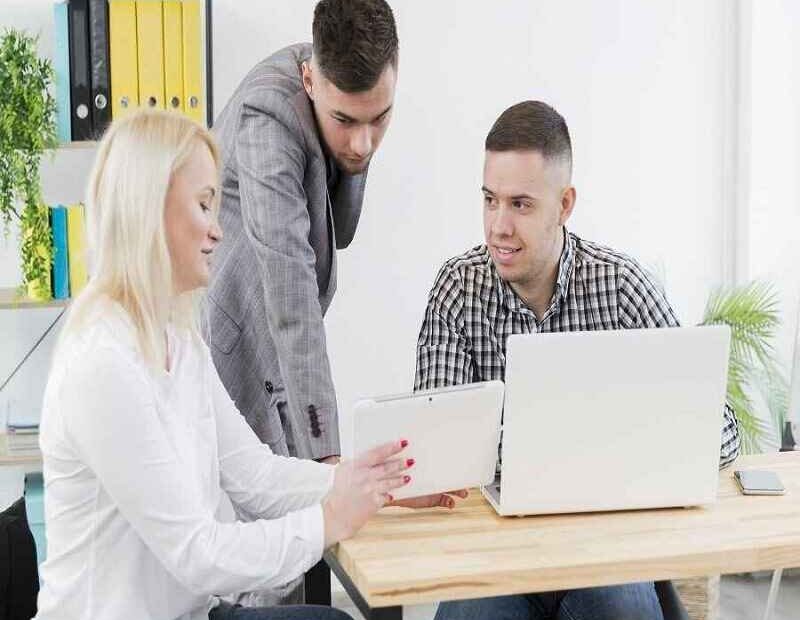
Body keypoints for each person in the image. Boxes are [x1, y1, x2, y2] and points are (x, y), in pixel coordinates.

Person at [34, 110, 462, 620]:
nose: (217, 231)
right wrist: (328, 520)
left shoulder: (178, 338)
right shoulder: (101, 363)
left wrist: (372, 486)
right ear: (149, 208)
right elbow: (197, 553)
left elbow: (254, 475)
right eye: (203, 205)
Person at [414, 100, 741, 620]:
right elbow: (441, 456)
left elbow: (722, 432)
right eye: (489, 200)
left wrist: (602, 452)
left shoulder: (622, 287)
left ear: (565, 204)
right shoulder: (457, 290)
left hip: (606, 554)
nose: (498, 225)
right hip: (494, 555)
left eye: (520, 204)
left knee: (622, 610)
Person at [206, 0, 398, 466]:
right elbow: (291, 296)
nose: (363, 143)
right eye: (345, 121)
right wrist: (330, 462)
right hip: (233, 348)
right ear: (310, 81)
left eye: (379, 117)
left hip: (286, 356)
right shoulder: (266, 123)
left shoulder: (341, 93)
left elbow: (341, 230)